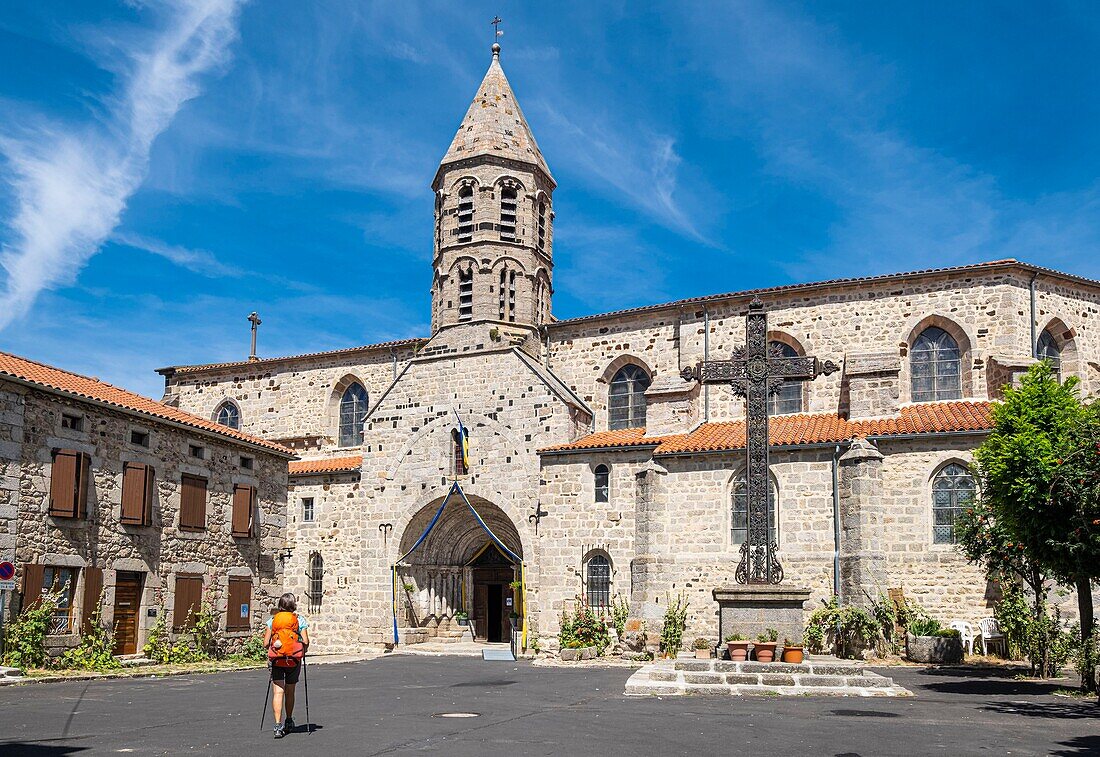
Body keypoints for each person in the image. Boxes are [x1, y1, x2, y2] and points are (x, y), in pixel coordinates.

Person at [263, 593, 309, 738]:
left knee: (278, 692)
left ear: (280, 605)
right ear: (293, 605)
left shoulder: (273, 620)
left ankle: (277, 726)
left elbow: (265, 643)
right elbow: (306, 641)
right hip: (293, 661)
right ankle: (289, 721)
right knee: (290, 691)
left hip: (277, 660)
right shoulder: (299, 620)